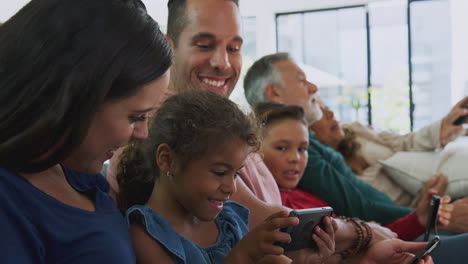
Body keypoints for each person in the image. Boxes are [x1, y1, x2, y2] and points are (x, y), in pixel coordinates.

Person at [107, 0, 437, 262]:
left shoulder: (229, 131)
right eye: (204, 44)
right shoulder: (153, 130)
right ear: (170, 46)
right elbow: (273, 222)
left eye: (234, 48)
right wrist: (368, 234)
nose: (223, 63)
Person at [0, 0, 173, 262]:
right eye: (136, 117)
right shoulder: (10, 201)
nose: (143, 134)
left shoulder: (74, 174)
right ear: (77, 96)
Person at [116, 90, 336, 263]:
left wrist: (303, 260)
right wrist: (242, 256)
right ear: (167, 159)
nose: (231, 188)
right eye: (220, 172)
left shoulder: (230, 221)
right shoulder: (145, 235)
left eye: (237, 173)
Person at [254, 101, 452, 243]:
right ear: (254, 152)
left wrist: (418, 219)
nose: (295, 158)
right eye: (281, 148)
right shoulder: (275, 208)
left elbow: (375, 239)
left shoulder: (307, 197)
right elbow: (364, 244)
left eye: (303, 149)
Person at [312, 98, 467, 208]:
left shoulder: (355, 131)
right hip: (422, 216)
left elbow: (404, 143)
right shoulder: (328, 177)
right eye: (319, 111)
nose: (330, 113)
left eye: (326, 106)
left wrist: (445, 124)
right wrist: (425, 204)